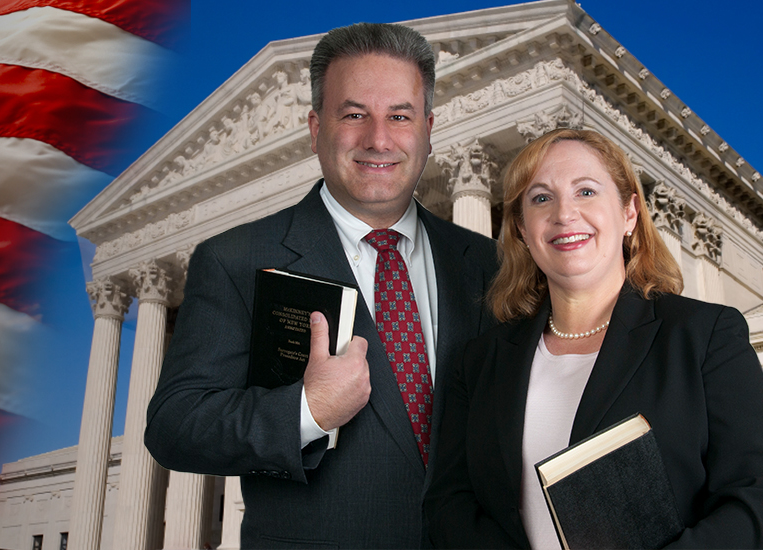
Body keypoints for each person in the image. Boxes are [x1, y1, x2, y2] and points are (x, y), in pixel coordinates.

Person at [144, 23, 499, 547]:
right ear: (315, 128)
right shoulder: (236, 259)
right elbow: (175, 427)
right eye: (354, 115)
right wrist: (306, 412)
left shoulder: (488, 263)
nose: (378, 139)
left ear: (427, 128)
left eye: (399, 116)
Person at [424, 128, 763, 548]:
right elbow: (449, 505)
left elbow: (753, 498)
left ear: (628, 214)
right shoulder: (479, 363)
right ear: (523, 231)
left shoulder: (706, 337)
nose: (564, 214)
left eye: (586, 192)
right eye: (541, 198)